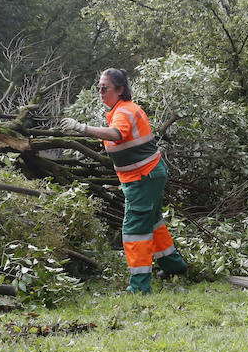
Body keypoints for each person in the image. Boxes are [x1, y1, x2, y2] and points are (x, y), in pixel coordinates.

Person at [60, 68, 186, 294]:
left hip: (143, 178)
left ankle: (139, 287)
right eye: (98, 87)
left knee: (134, 229)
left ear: (120, 90)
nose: (100, 92)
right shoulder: (121, 109)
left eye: (104, 88)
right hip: (149, 175)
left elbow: (117, 134)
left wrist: (82, 128)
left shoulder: (124, 112)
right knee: (154, 222)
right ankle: (175, 267)